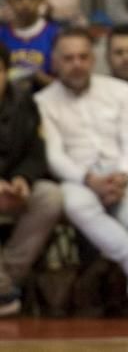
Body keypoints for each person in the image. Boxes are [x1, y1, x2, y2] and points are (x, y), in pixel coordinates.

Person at [36, 27, 128, 320]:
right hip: (78, 179)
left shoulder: (120, 91)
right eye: (68, 58)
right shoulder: (43, 102)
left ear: (93, 59)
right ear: (55, 62)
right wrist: (89, 180)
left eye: (83, 57)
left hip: (121, 172)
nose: (77, 64)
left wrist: (122, 175)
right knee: (75, 203)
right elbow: (54, 155)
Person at [0, 43, 63, 317]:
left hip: (13, 188)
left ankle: (6, 279)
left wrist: (23, 178)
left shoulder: (26, 103)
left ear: (6, 73)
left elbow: (37, 152)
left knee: (50, 196)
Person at [0, 0, 59, 92]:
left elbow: (64, 86)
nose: (26, 3)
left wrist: (38, 77)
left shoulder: (55, 35)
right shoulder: (2, 35)